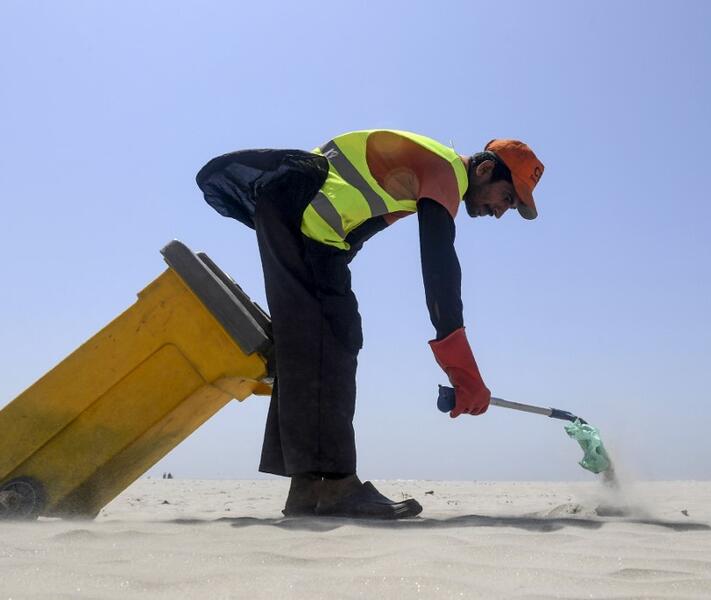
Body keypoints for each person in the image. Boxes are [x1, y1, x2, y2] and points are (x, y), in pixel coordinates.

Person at [196, 130, 544, 519]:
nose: (501, 211)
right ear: (483, 169)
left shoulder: (424, 170)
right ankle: (337, 485)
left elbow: (360, 227)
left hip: (294, 217)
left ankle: (308, 490)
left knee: (316, 343)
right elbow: (440, 273)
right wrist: (465, 374)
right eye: (507, 198)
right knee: (331, 342)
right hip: (297, 218)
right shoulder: (445, 172)